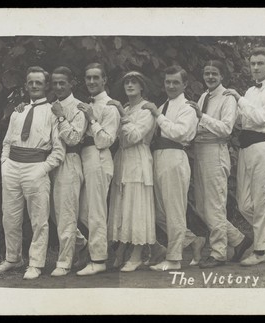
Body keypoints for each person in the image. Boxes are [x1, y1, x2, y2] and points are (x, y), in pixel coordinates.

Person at [0, 66, 65, 279]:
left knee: (38, 219)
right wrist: (5, 163)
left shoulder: (53, 111)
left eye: (38, 82)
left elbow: (58, 151)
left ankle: (36, 263)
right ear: (26, 85)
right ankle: (13, 259)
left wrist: (42, 169)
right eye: (30, 82)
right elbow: (6, 142)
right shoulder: (18, 111)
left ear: (46, 86)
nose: (34, 86)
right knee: (10, 217)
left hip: (36, 167)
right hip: (12, 166)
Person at [223, 47, 265, 266]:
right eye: (252, 64)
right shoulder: (250, 92)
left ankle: (260, 252)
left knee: (262, 202)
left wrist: (239, 99)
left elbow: (261, 118)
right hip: (246, 149)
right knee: (244, 205)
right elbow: (242, 121)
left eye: (260, 63)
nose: (255, 68)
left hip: (263, 147)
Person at [187, 60, 253, 269]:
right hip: (200, 150)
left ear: (222, 76)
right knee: (201, 207)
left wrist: (201, 117)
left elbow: (225, 129)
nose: (210, 77)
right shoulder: (204, 96)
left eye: (214, 73)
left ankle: (218, 253)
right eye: (207, 73)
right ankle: (239, 240)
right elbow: (197, 125)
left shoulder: (227, 98)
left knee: (214, 205)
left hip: (216, 152)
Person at [142, 65, 201, 272]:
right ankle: (193, 240)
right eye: (168, 82)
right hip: (158, 157)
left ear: (185, 84)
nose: (171, 86)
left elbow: (179, 133)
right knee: (158, 213)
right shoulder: (164, 104)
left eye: (176, 82)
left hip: (175, 157)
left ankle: (174, 259)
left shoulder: (188, 108)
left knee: (174, 211)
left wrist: (158, 115)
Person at [106, 71, 157, 272]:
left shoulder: (146, 109)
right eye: (126, 82)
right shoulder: (127, 107)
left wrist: (121, 112)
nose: (129, 85)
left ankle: (136, 255)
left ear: (142, 86)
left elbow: (135, 135)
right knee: (123, 206)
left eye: (134, 82)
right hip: (123, 159)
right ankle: (121, 251)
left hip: (139, 158)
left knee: (137, 207)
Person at [75, 63, 120, 276]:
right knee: (83, 210)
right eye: (88, 78)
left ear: (104, 80)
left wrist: (92, 118)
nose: (91, 82)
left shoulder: (110, 107)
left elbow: (105, 141)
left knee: (95, 211)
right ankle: (106, 245)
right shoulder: (85, 104)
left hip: (99, 157)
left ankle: (99, 260)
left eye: (96, 78)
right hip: (84, 156)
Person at [46, 66, 88, 276]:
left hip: (70, 162)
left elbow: (73, 138)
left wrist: (62, 117)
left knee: (66, 216)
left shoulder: (79, 108)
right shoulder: (50, 105)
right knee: (54, 214)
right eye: (55, 83)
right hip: (49, 163)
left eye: (63, 83)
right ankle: (82, 245)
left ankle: (64, 262)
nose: (59, 87)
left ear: (71, 83)